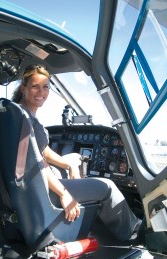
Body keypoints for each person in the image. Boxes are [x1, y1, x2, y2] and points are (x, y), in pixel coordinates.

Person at [11, 64, 141, 241]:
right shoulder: (25, 119)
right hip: (37, 188)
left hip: (25, 183)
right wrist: (64, 194)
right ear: (23, 88)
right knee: (107, 187)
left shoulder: (19, 114)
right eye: (35, 86)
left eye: (45, 87)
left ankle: (90, 207)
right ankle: (131, 230)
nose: (41, 92)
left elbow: (42, 151)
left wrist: (68, 164)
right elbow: (36, 162)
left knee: (74, 158)